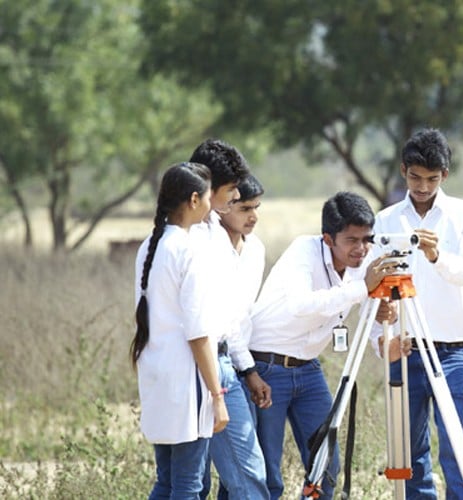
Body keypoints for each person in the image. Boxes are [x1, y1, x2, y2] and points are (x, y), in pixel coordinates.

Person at [248, 191, 395, 500]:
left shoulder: (365, 261)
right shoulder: (303, 250)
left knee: (326, 466)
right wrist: (362, 288)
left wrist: (385, 329)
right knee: (265, 474)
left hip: (309, 369)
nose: (361, 248)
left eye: (367, 239)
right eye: (351, 240)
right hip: (266, 367)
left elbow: (370, 309)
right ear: (328, 239)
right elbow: (302, 304)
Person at [370, 128, 463, 500]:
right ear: (404, 171)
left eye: (432, 179)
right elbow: (373, 291)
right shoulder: (385, 220)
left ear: (445, 175)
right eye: (416, 177)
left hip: (452, 349)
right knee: (410, 450)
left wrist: (436, 257)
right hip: (405, 349)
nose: (422, 186)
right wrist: (381, 340)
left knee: (454, 442)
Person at [131, 162, 229, 499]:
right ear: (193, 200)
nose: (209, 203)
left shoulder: (151, 245)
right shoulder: (187, 249)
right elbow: (199, 333)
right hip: (186, 380)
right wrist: (217, 396)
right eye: (206, 196)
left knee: (167, 480)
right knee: (190, 483)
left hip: (156, 371)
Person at [188, 139, 270, 499]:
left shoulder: (230, 243)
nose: (237, 200)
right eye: (233, 192)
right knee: (189, 482)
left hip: (222, 361)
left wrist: (247, 369)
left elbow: (233, 315)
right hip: (193, 362)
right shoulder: (186, 239)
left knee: (248, 475)